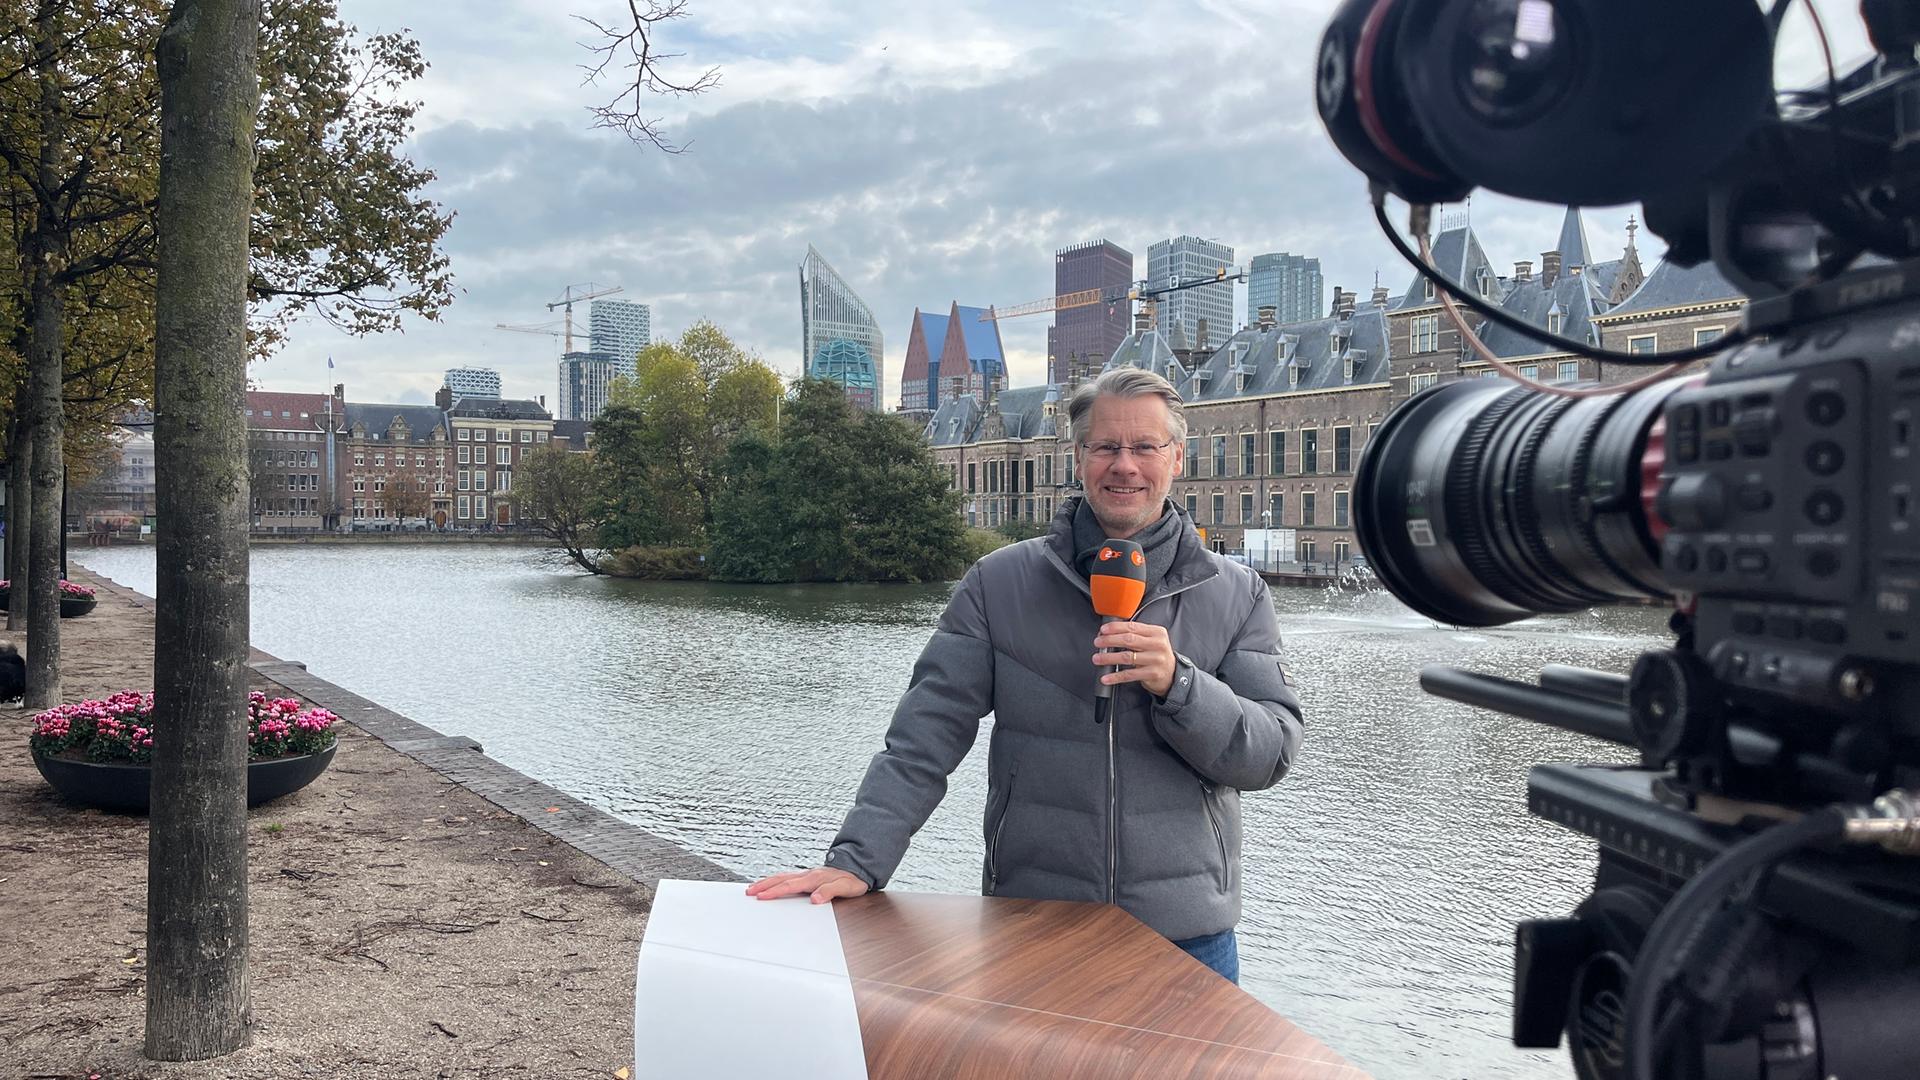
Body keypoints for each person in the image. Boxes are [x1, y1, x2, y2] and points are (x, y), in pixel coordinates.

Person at [747, 367, 1304, 984]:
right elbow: (921, 741)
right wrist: (859, 860)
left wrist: (1180, 685)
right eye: (1106, 447)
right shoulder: (997, 583)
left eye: (1144, 447)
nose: (1125, 465)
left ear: (1176, 457)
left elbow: (1269, 754)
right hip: (1033, 925)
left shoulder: (1236, 593)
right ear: (1078, 456)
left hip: (1186, 939)